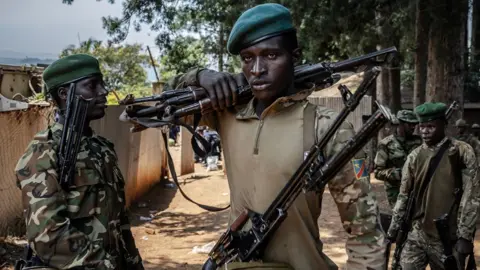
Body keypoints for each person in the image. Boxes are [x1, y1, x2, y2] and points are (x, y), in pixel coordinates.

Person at [163, 3, 386, 269]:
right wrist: (199, 76)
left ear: (295, 56)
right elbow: (154, 108)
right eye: (247, 58)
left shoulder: (326, 127)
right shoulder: (226, 115)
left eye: (270, 55)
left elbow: (365, 230)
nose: (257, 69)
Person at [14, 54, 143, 270]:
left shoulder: (102, 149)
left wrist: (134, 264)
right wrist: (104, 265)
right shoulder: (43, 152)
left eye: (101, 83)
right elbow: (48, 237)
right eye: (92, 85)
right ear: (65, 94)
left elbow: (119, 223)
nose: (103, 91)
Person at [387, 102, 479, 270]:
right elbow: (404, 196)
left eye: (430, 126)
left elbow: (472, 195)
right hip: (417, 234)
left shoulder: (461, 151)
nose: (424, 131)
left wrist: (465, 236)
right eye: (422, 126)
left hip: (447, 238)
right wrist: (394, 228)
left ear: (443, 124)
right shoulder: (414, 157)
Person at [374, 110, 422, 208]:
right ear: (400, 124)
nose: (413, 127)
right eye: (410, 124)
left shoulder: (419, 142)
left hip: (417, 189)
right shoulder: (386, 144)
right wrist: (400, 173)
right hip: (396, 192)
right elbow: (378, 172)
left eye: (414, 124)